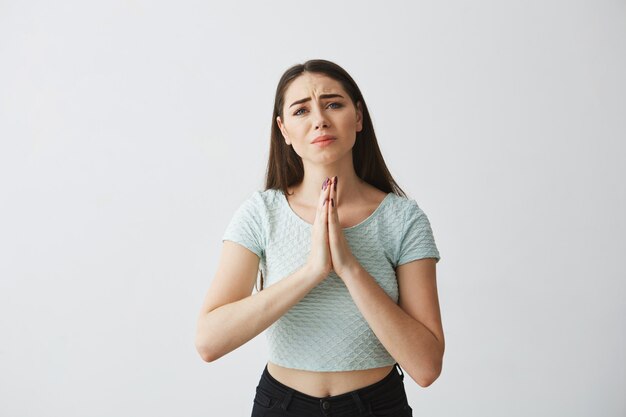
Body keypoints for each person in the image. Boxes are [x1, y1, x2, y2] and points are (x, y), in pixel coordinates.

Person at [195, 59, 444, 417]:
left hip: (376, 406)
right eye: (301, 110)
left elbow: (426, 367)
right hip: (281, 405)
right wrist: (312, 271)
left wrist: (348, 268)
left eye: (333, 104)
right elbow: (209, 342)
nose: (319, 119)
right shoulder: (261, 213)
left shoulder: (403, 219)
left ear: (358, 117)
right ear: (284, 130)